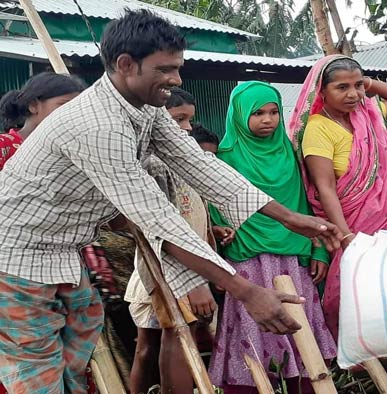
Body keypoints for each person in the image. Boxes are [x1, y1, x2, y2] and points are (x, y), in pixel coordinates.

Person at [0, 10, 340, 393]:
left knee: (74, 358)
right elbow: (159, 219)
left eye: (178, 68)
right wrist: (245, 291)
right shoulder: (96, 126)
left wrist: (290, 218)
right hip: (17, 258)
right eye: (164, 69)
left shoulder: (144, 109)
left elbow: (201, 166)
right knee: (36, 371)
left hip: (64, 253)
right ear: (126, 65)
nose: (176, 80)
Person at [207, 81, 336, 394]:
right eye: (258, 113)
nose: (268, 119)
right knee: (252, 333)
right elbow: (213, 205)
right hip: (248, 260)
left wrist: (317, 249)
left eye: (274, 112)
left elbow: (304, 203)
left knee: (299, 329)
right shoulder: (225, 157)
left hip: (293, 257)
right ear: (238, 115)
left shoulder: (289, 152)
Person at [288, 55, 387, 338]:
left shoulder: (368, 113)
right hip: (352, 223)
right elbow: (325, 187)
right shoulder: (318, 128)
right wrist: (346, 235)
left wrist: (370, 83)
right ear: (322, 91)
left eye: (357, 86)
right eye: (342, 87)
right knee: (358, 294)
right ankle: (359, 360)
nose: (353, 94)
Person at [125, 90, 220, 394]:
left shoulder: (176, 160)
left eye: (189, 119)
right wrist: (193, 278)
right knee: (178, 336)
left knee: (162, 340)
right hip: (169, 267)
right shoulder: (152, 163)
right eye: (179, 120)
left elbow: (190, 212)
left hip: (180, 266)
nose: (188, 128)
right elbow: (162, 227)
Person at [0, 72, 85, 169]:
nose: (71, 112)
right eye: (64, 105)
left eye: (76, 107)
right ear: (33, 105)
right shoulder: (3, 144)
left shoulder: (72, 147)